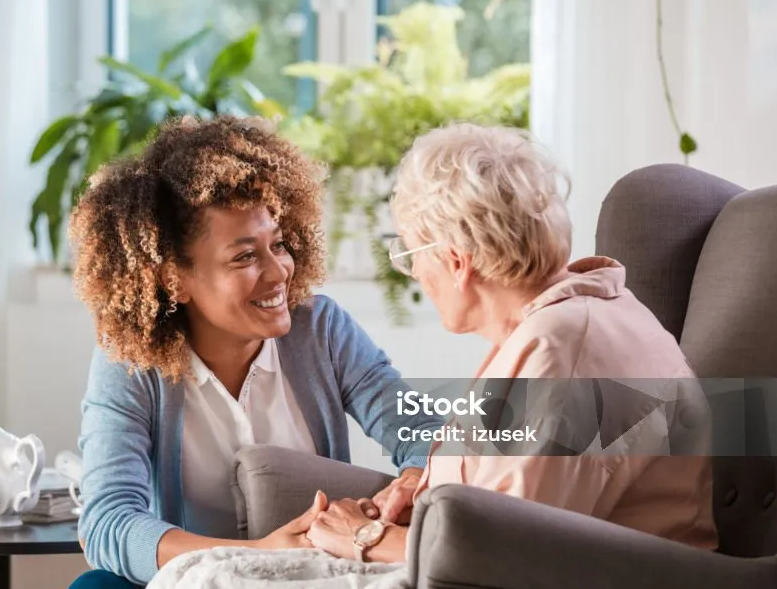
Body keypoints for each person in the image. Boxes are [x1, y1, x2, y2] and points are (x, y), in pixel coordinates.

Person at [39, 116, 443, 589]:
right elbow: (110, 523)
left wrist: (414, 480)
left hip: (307, 585)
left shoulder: (320, 330)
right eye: (245, 256)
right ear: (173, 278)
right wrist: (257, 554)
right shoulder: (130, 364)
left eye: (277, 244)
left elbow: (428, 433)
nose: (279, 272)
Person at [302, 122, 718, 564]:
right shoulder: (565, 320)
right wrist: (422, 488)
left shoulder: (561, 349)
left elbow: (506, 556)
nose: (416, 275)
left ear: (456, 261)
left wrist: (365, 537)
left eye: (409, 256)